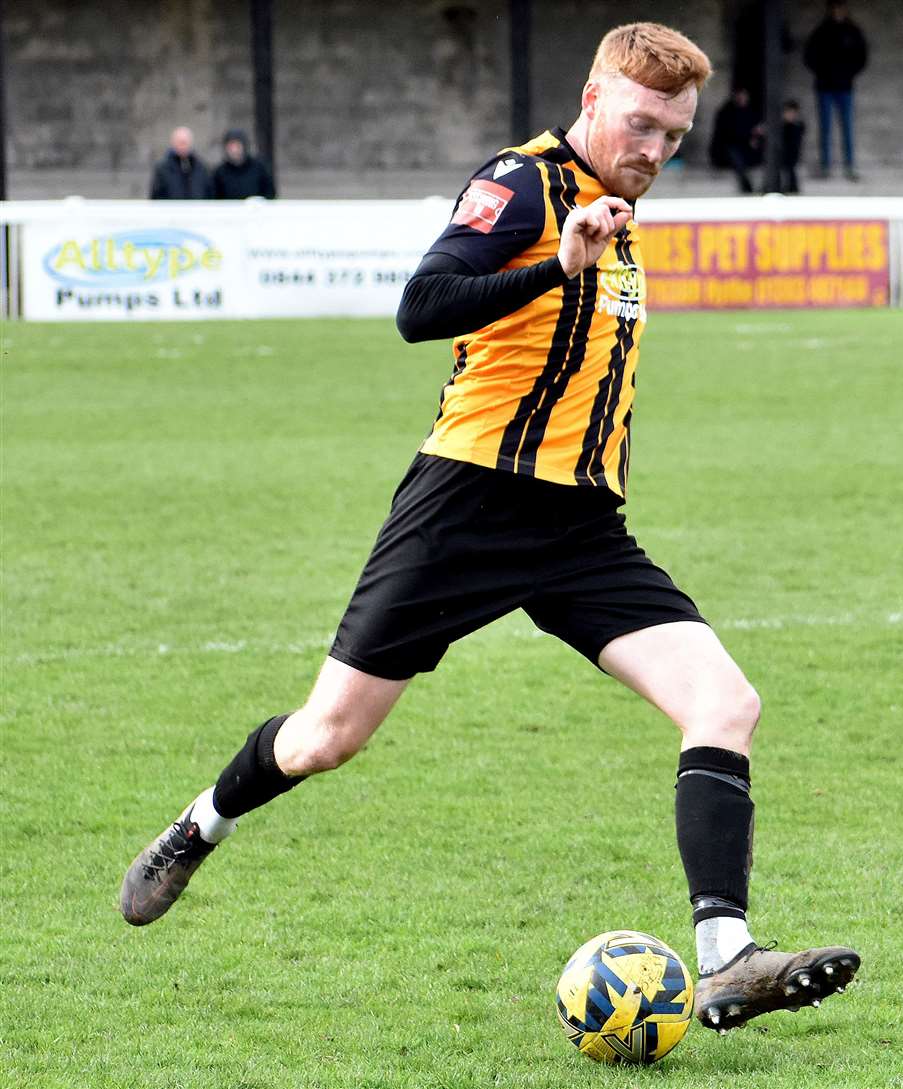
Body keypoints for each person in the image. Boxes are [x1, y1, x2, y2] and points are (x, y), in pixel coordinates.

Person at [120, 22, 860, 1033]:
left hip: (580, 525)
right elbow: (422, 307)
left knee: (726, 704)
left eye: (675, 136)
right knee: (327, 737)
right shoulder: (523, 183)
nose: (654, 150)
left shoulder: (621, 212)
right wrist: (555, 266)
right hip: (468, 502)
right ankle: (197, 826)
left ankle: (728, 958)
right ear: (594, 97)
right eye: (641, 124)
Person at [803, 0, 868, 180]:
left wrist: (848, 74)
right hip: (825, 87)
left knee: (846, 128)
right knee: (826, 129)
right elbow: (809, 56)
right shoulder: (821, 32)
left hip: (845, 87)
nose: (838, 12)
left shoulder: (852, 32)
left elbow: (862, 57)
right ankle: (826, 167)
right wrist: (823, 73)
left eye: (841, 9)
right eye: (835, 9)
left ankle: (849, 167)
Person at [708, 88, 762, 195]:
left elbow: (754, 130)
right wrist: (749, 135)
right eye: (740, 96)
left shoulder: (750, 112)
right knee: (736, 155)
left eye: (744, 96)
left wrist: (754, 136)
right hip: (726, 149)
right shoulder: (727, 112)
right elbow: (729, 134)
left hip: (745, 149)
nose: (743, 99)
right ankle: (748, 187)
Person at [149, 126, 213, 200]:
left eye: (185, 142)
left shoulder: (201, 168)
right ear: (173, 143)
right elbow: (156, 196)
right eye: (180, 142)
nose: (183, 146)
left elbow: (209, 194)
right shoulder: (162, 169)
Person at [212, 129, 276, 200]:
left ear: (244, 146)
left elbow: (270, 194)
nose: (234, 150)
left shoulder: (259, 169)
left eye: (237, 146)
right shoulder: (219, 173)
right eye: (231, 147)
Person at [780, 99, 805, 194]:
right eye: (787, 112)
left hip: (793, 155)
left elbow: (795, 142)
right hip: (783, 155)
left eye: (791, 112)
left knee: (790, 168)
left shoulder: (798, 126)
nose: (789, 115)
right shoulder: (782, 126)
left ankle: (792, 187)